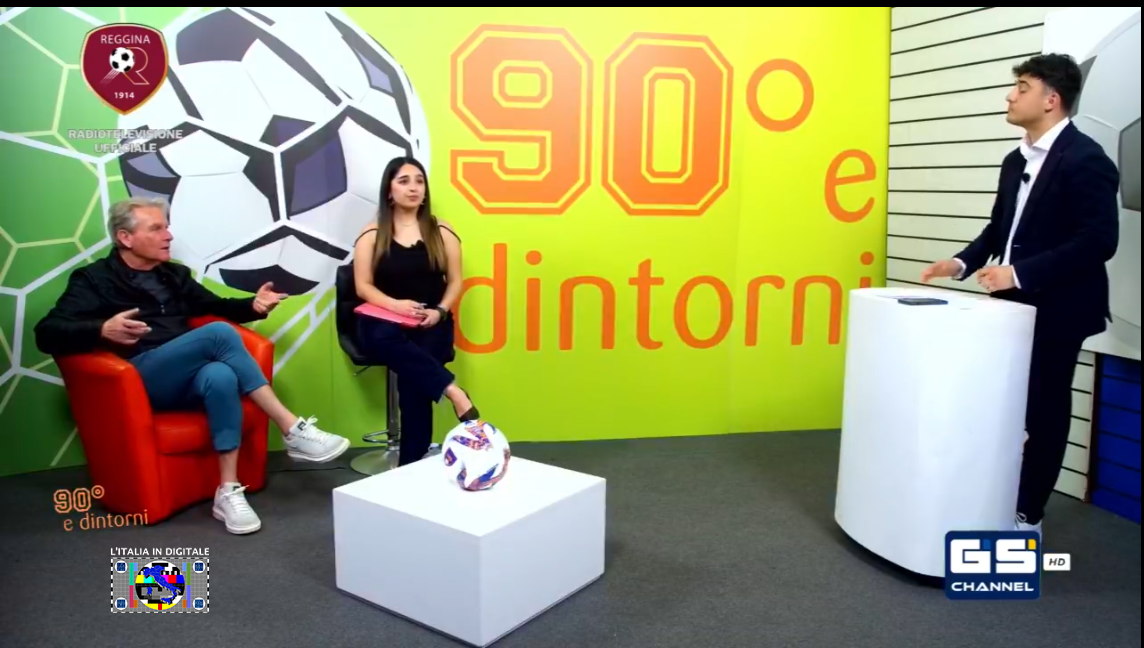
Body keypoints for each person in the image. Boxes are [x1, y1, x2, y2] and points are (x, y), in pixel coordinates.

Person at [34, 196, 350, 535]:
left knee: (220, 374)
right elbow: (47, 332)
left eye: (167, 227)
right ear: (125, 237)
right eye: (156, 229)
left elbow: (216, 306)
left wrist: (254, 306)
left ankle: (227, 491)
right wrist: (101, 329)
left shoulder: (174, 275)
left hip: (183, 380)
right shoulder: (94, 280)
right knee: (218, 334)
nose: (168, 235)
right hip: (135, 382)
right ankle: (291, 427)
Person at [921, 53, 1120, 536]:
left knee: (1045, 410)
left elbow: (1099, 241)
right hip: (1010, 308)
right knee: (1004, 407)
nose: (1010, 96)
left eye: (1022, 88)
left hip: (1060, 309)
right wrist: (961, 263)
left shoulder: (1087, 158)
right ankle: (996, 493)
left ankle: (1028, 515)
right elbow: (999, 229)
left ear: (1052, 100)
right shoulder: (1016, 160)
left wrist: (1020, 273)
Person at [352, 156, 479, 466]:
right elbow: (363, 287)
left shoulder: (442, 230)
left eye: (419, 181)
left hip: (430, 321)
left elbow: (455, 281)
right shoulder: (372, 234)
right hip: (384, 321)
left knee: (414, 388)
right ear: (389, 190)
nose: (413, 188)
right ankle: (452, 390)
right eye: (404, 181)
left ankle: (411, 465)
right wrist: (395, 305)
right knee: (384, 339)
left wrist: (439, 311)